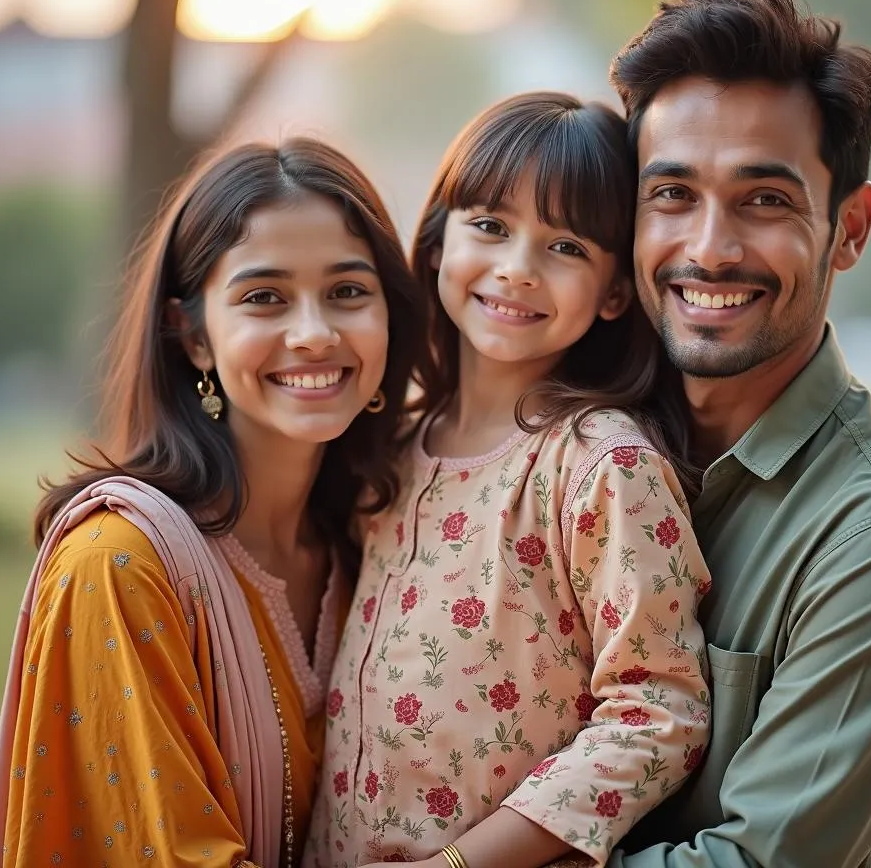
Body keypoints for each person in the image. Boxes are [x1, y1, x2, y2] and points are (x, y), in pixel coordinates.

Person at [603, 0, 871, 867]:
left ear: (849, 230)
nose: (710, 248)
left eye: (765, 201)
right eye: (672, 192)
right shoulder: (577, 457)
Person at [304, 92, 712, 868]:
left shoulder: (602, 466)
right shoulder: (388, 447)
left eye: (565, 248)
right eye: (490, 226)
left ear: (615, 292)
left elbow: (659, 711)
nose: (516, 270)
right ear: (435, 244)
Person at [0, 138, 426, 867]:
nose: (315, 334)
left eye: (349, 291)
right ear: (192, 335)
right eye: (265, 297)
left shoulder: (379, 545)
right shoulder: (120, 566)